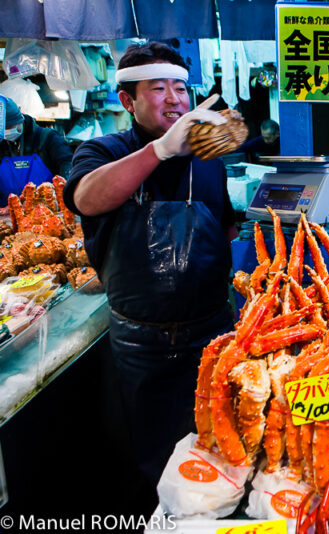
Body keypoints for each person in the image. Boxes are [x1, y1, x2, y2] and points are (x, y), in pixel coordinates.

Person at [62, 42, 237, 493]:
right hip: (140, 346)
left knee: (221, 457)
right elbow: (86, 199)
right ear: (128, 100)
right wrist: (158, 150)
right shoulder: (101, 151)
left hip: (214, 335)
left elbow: (227, 230)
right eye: (158, 88)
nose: (175, 98)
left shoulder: (207, 160)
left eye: (180, 87)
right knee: (149, 464)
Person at [0, 97, 73, 205]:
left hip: (48, 211)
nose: (7, 131)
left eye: (10, 127)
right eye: (3, 129)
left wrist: (65, 197)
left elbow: (68, 165)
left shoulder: (47, 138)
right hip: (5, 213)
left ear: (20, 120)